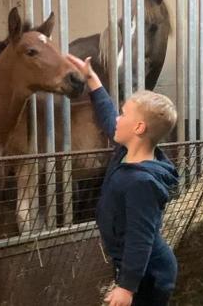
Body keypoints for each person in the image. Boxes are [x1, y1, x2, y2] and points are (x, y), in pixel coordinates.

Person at [67, 54, 179, 306]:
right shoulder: (126, 151)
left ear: (138, 128)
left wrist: (127, 288)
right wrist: (92, 80)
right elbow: (108, 120)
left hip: (150, 276)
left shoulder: (142, 183)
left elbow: (141, 238)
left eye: (123, 115)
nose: (117, 119)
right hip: (135, 267)